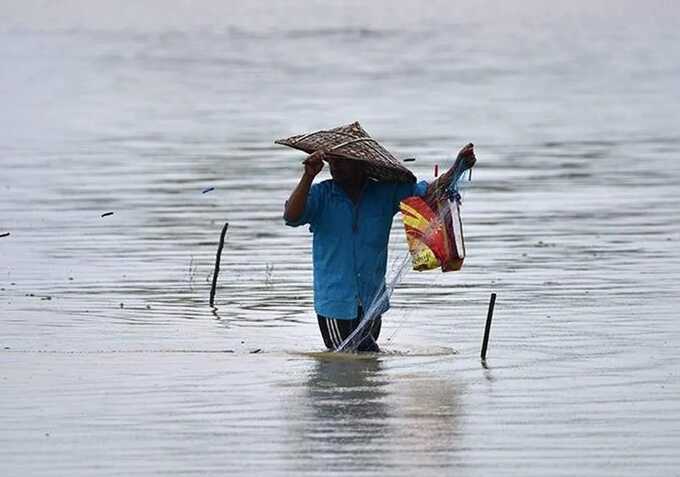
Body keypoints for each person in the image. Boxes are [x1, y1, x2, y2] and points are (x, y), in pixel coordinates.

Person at [284, 145, 475, 352]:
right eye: (333, 161)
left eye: (343, 161)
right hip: (335, 304)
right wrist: (308, 176)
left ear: (361, 164)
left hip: (372, 303)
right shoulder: (321, 195)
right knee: (358, 357)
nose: (336, 166)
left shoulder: (384, 193)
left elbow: (429, 193)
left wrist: (458, 167)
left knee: (365, 371)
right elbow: (291, 217)